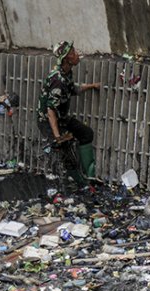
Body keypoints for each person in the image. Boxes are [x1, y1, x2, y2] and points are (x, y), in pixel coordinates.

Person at [37, 40, 101, 185]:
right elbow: (51, 109)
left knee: (86, 133)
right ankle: (80, 182)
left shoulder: (67, 74)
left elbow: (74, 89)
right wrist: (57, 136)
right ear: (66, 59)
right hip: (48, 121)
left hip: (62, 118)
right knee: (65, 150)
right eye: (73, 52)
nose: (77, 54)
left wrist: (92, 86)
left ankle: (89, 175)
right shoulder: (58, 80)